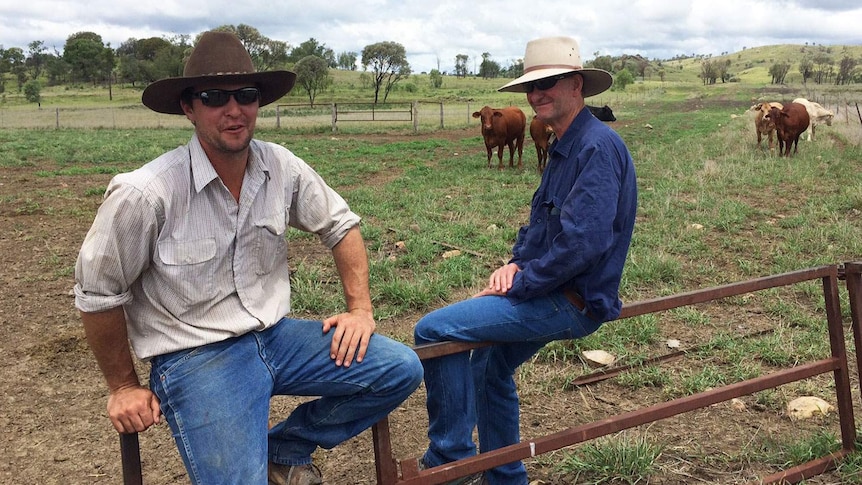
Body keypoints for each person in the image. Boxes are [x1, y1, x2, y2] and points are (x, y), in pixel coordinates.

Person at [74, 31, 423, 485]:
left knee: (398, 369)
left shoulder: (280, 166)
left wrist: (360, 309)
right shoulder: (146, 194)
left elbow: (342, 226)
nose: (234, 109)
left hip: (275, 337)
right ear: (188, 107)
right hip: (196, 358)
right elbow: (99, 292)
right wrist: (123, 386)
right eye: (214, 97)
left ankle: (285, 447)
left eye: (246, 94)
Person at [414, 36, 638, 485]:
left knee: (433, 329)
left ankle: (450, 463)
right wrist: (515, 262)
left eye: (548, 83)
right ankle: (503, 476)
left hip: (573, 299)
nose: (536, 95)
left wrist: (521, 282)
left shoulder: (596, 147)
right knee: (488, 365)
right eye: (531, 88)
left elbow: (584, 244)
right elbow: (542, 228)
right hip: (554, 287)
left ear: (577, 84)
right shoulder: (563, 145)